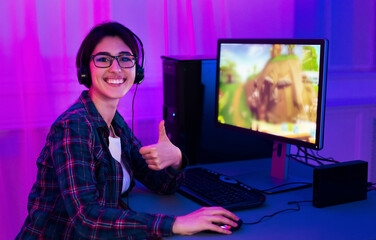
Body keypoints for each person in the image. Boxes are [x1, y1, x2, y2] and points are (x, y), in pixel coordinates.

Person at [16, 22, 239, 239]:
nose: (116, 68)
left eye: (125, 59)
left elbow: (161, 184)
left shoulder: (116, 124)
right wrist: (177, 224)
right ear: (85, 70)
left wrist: (176, 159)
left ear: (137, 71)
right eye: (103, 59)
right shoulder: (74, 127)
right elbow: (88, 220)